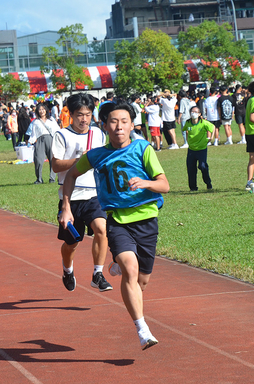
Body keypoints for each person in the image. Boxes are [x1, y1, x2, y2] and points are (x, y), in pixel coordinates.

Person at [59, 101, 169, 350]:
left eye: (124, 122)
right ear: (105, 125)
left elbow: (164, 185)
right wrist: (66, 206)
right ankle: (143, 330)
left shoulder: (143, 148)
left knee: (141, 281)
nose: (119, 127)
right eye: (113, 122)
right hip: (118, 220)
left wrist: (146, 183)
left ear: (132, 125)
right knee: (130, 270)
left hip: (147, 220)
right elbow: (72, 176)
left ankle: (118, 262)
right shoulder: (97, 155)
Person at [51, 94, 113, 293]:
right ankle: (67, 269)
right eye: (79, 115)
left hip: (95, 195)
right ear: (71, 114)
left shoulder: (99, 134)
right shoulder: (61, 135)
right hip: (71, 197)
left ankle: (98, 273)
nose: (84, 119)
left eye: (88, 114)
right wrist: (81, 160)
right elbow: (55, 165)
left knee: (101, 229)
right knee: (71, 243)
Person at [182, 105, 214, 191]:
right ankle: (193, 188)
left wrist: (211, 138)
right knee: (191, 169)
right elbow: (186, 130)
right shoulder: (188, 122)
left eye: (196, 112)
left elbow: (212, 127)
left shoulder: (203, 122)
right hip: (191, 150)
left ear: (199, 114)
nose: (194, 114)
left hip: (202, 149)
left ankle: (208, 182)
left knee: (202, 166)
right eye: (192, 112)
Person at [28, 103, 58, 184]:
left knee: (53, 159)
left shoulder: (51, 119)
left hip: (51, 139)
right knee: (38, 159)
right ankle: (39, 179)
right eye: (40, 110)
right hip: (40, 140)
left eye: (43, 109)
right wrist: (30, 141)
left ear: (46, 110)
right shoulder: (36, 121)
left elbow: (57, 130)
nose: (41, 111)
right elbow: (34, 133)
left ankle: (52, 178)